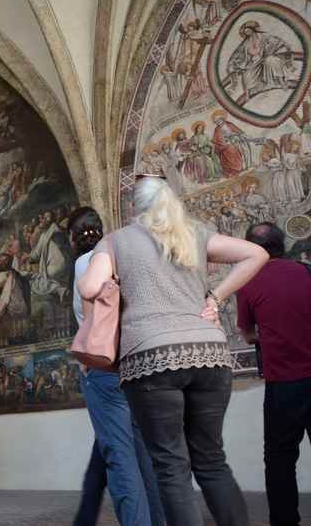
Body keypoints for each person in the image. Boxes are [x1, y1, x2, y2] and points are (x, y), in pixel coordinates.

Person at [78, 171, 267, 526]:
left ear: (133, 207)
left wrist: (111, 276)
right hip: (209, 355)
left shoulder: (116, 241)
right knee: (211, 460)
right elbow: (255, 254)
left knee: (171, 466)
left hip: (151, 360)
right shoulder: (193, 235)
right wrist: (216, 296)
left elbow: (89, 287)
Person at [68, 207, 164, 526]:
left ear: (72, 238)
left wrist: (86, 355)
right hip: (137, 362)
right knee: (145, 454)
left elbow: (89, 314)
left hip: (105, 367)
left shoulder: (86, 262)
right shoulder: (120, 255)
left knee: (119, 457)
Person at [236, 222, 311, 526]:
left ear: (252, 249)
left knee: (279, 461)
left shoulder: (249, 282)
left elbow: (247, 334)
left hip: (283, 386)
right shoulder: (307, 271)